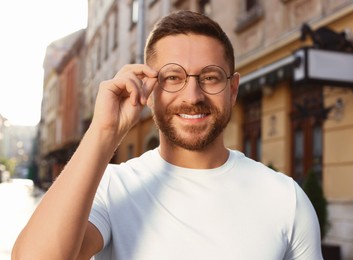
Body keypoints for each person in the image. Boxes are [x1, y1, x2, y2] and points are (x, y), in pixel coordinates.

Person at [12, 10, 323, 260]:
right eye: (173, 77)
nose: (193, 95)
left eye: (210, 77)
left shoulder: (286, 199)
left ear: (232, 89)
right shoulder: (110, 187)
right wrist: (104, 131)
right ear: (149, 91)